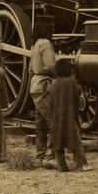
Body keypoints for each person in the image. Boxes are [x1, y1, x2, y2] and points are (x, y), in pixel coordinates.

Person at [50, 59, 92, 172]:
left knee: (57, 143)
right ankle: (82, 164)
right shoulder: (72, 82)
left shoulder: (54, 83)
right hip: (69, 116)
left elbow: (51, 102)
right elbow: (76, 99)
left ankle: (62, 165)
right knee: (76, 141)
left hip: (57, 118)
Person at [29, 15, 56, 164]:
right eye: (51, 25)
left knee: (40, 123)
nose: (53, 28)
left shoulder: (35, 44)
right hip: (45, 85)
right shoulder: (45, 43)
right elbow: (50, 65)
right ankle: (50, 156)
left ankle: (39, 155)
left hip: (35, 85)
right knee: (53, 121)